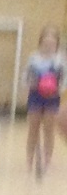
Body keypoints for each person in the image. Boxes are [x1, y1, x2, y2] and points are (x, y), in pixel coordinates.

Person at [24, 25, 64, 179]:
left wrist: (58, 88)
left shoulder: (60, 60)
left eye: (52, 40)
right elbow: (26, 76)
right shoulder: (33, 58)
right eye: (46, 39)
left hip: (52, 97)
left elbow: (64, 79)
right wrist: (30, 83)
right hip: (35, 95)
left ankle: (47, 159)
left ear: (56, 43)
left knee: (48, 129)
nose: (49, 43)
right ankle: (29, 158)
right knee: (33, 127)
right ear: (41, 41)